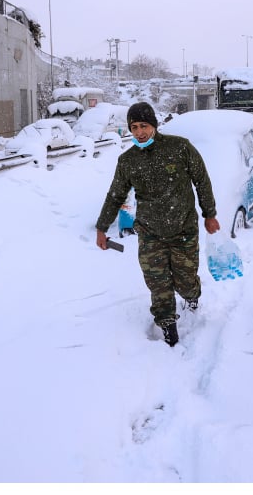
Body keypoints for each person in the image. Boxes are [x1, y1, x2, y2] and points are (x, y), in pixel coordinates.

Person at [95, 102, 220, 347]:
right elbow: (115, 195)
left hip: (183, 228)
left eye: (144, 126)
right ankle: (167, 326)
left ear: (154, 125)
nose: (139, 132)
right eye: (134, 127)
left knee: (185, 280)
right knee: (157, 282)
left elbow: (201, 181)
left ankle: (191, 296)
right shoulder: (128, 160)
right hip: (150, 232)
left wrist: (210, 214)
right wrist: (102, 227)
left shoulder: (179, 147)